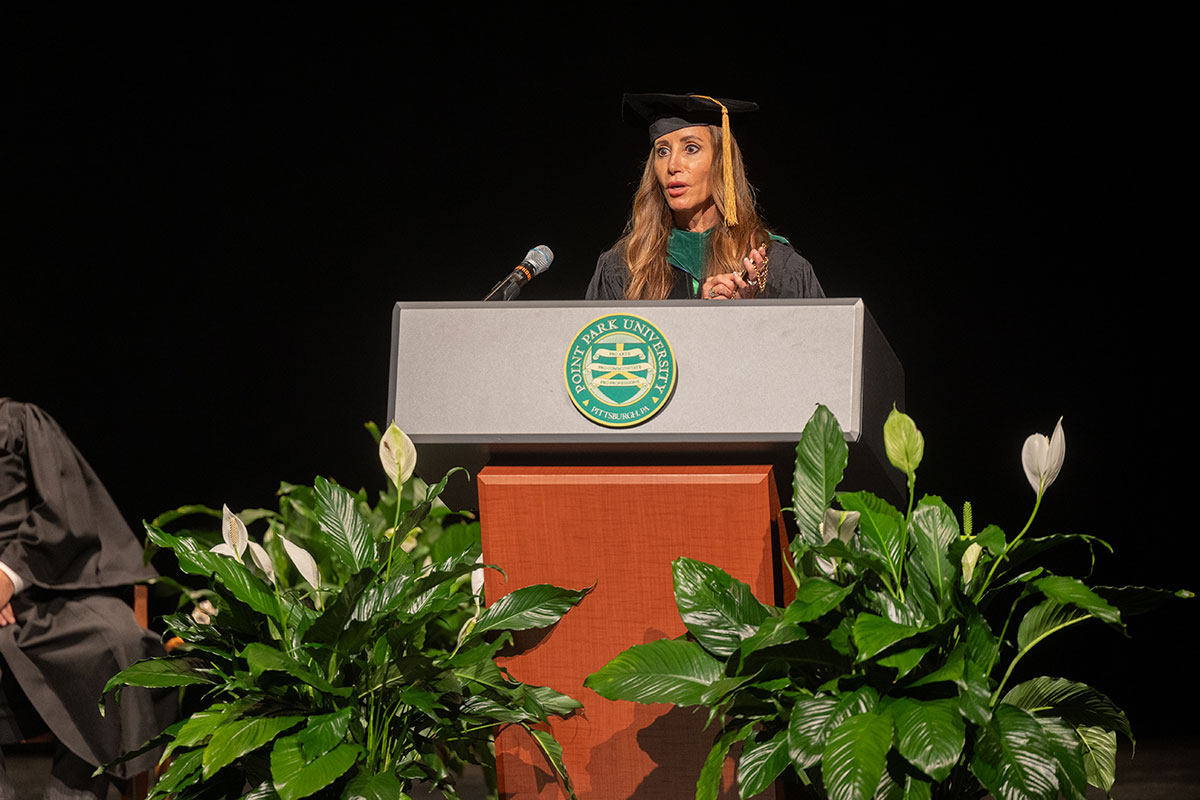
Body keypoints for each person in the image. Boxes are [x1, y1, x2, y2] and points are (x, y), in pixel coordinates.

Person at [0, 398, 175, 800]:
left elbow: (63, 508)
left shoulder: (17, 421)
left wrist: (8, 575)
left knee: (119, 645)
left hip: (46, 582)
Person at [586, 93, 825, 301]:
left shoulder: (776, 266)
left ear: (722, 163)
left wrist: (751, 312)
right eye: (662, 151)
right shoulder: (624, 267)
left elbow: (814, 348)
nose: (673, 165)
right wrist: (699, 315)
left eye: (691, 148)